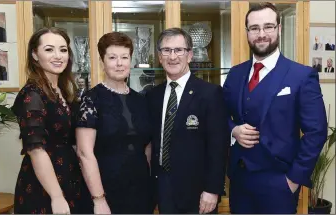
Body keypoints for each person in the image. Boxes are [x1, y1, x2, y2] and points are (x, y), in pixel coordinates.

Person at [222, 3, 328, 214]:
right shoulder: (235, 74)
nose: (261, 34)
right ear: (247, 32)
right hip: (239, 181)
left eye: (268, 27)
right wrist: (233, 129)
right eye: (254, 28)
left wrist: (293, 180)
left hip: (279, 184)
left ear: (279, 29)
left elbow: (316, 131)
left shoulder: (301, 76)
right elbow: (219, 114)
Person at [146, 27, 229, 214]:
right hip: (162, 189)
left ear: (189, 55)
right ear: (160, 57)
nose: (172, 56)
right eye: (166, 50)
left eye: (179, 50)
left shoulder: (210, 93)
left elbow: (218, 146)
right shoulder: (153, 96)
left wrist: (212, 189)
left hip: (198, 192)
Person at [75, 32, 153, 214]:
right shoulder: (91, 99)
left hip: (140, 192)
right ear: (102, 62)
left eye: (124, 57)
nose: (119, 63)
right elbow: (84, 153)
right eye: (112, 57)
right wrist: (99, 199)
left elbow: (147, 147)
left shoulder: (140, 100)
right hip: (105, 192)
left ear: (131, 61)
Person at [11, 27, 82, 214]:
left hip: (69, 178)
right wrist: (56, 197)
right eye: (49, 49)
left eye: (63, 49)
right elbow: (35, 150)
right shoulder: (32, 94)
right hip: (44, 189)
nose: (58, 56)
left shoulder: (63, 91)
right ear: (35, 55)